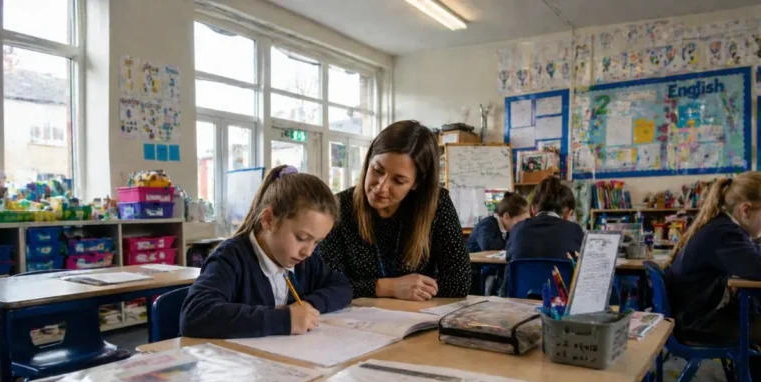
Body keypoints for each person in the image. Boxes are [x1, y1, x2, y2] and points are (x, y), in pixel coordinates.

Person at [179, 165, 352, 339]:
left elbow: (342, 286)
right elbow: (195, 314)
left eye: (317, 242)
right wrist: (284, 319)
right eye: (301, 238)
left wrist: (308, 305)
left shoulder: (305, 262)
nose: (308, 251)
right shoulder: (231, 258)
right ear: (268, 220)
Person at [318, 120, 471, 301]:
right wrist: (387, 287)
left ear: (416, 183)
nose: (381, 187)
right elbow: (325, 283)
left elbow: (459, 281)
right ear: (368, 162)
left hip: (416, 319)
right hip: (354, 321)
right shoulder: (339, 207)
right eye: (377, 170)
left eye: (398, 181)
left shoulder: (437, 205)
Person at [664, 173, 761, 382]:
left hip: (693, 314)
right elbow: (757, 268)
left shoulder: (720, 226)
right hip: (697, 323)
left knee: (754, 313)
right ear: (746, 210)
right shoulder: (725, 234)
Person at [506, 176, 584, 261]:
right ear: (568, 213)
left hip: (524, 274)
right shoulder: (575, 231)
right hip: (560, 274)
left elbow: (509, 259)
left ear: (533, 210)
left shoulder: (517, 229)